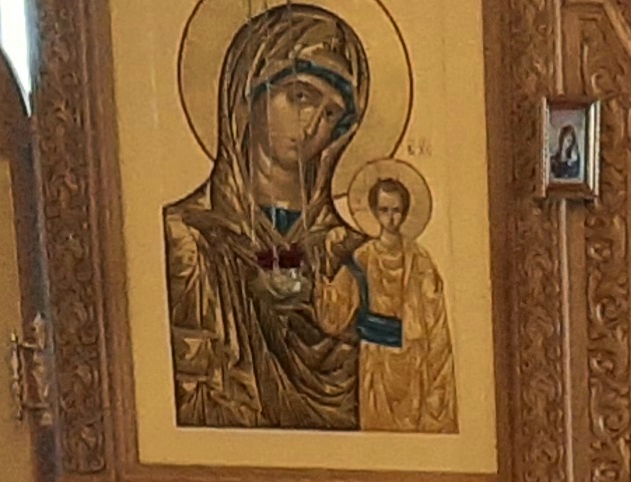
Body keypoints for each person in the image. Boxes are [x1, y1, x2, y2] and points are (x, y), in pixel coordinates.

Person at [163, 3, 371, 430]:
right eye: (300, 96)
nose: (312, 125)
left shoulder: (350, 251)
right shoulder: (189, 236)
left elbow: (400, 347)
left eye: (331, 113)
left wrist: (333, 314)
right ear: (248, 90)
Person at [352, 172, 454, 432]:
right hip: (377, 359)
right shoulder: (363, 257)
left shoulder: (420, 260)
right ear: (374, 211)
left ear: (405, 212)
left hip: (412, 360)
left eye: (396, 210)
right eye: (384, 210)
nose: (390, 218)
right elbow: (338, 305)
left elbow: (435, 315)